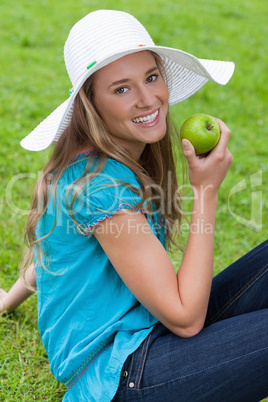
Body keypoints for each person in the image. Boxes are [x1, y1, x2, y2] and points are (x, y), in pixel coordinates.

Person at [1, 9, 267, 402]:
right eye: (121, 89)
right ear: (91, 104)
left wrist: (7, 300)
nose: (148, 99)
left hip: (147, 331)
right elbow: (186, 319)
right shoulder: (100, 187)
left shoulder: (100, 161)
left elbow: (55, 253)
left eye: (151, 77)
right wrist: (206, 192)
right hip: (120, 374)